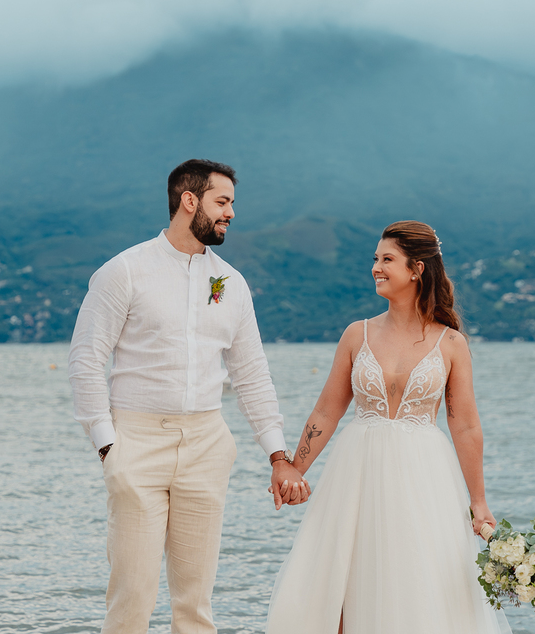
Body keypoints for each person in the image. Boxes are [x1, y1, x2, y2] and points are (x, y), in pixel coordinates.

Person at [68, 159, 309, 634]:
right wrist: (107, 446)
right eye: (222, 202)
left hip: (206, 443)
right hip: (136, 442)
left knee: (195, 603)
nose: (231, 213)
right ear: (189, 200)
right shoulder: (124, 271)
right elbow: (85, 360)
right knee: (131, 598)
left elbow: (251, 373)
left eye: (232, 203)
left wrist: (277, 454)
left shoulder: (231, 283)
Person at [266, 220, 511, 634]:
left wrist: (479, 501)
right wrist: (293, 469)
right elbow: (326, 412)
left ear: (416, 269)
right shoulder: (356, 334)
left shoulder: (451, 344)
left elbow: (466, 426)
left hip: (423, 479)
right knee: (340, 586)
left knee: (417, 581)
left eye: (387, 259)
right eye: (376, 259)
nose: (376, 268)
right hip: (356, 477)